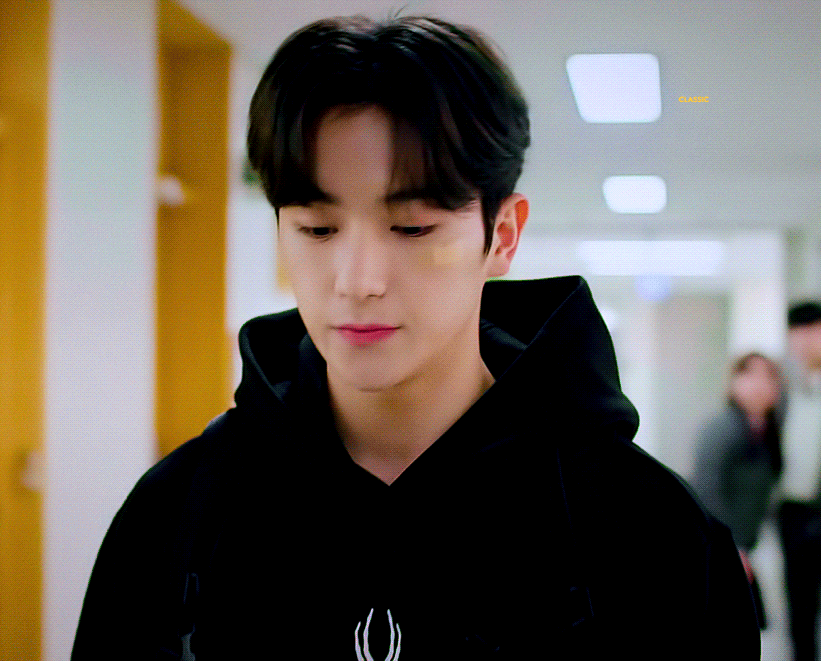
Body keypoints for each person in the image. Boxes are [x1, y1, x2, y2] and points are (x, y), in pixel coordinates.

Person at [71, 15, 759, 659]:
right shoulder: (180, 516)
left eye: (412, 228)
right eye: (316, 229)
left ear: (503, 235)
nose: (358, 280)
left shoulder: (649, 529)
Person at [690, 352, 784, 628]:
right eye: (749, 374)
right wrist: (730, 547)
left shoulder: (768, 431)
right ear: (733, 382)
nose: (759, 384)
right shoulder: (722, 428)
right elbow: (707, 489)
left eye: (768, 376)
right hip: (721, 546)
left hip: (745, 544)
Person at [777, 301, 821, 661]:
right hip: (793, 511)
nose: (804, 341)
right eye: (797, 333)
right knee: (799, 604)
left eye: (812, 331)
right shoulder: (787, 389)